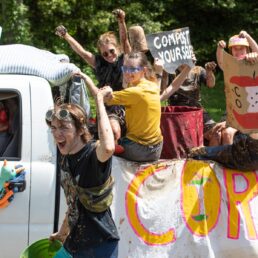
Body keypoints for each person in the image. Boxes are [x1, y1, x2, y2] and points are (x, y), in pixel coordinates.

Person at [47, 79, 119, 258]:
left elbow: (109, 147)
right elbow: (74, 202)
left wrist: (99, 100)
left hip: (100, 245)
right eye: (54, 128)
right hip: (74, 243)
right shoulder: (65, 158)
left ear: (80, 130)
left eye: (63, 127)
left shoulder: (93, 154)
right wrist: (62, 233)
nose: (57, 133)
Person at [55, 9, 131, 148]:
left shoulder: (125, 59)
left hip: (125, 104)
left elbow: (124, 40)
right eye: (105, 54)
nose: (109, 56)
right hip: (107, 106)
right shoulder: (99, 63)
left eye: (111, 51)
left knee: (120, 133)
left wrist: (121, 21)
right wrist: (66, 36)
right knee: (111, 132)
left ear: (117, 49)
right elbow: (83, 53)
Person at [104, 51, 163, 162]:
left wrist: (86, 79)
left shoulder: (136, 91)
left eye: (132, 69)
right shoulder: (153, 86)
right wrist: (159, 71)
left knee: (101, 148)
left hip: (140, 149)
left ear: (144, 70)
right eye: (125, 68)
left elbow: (103, 98)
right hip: (157, 148)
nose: (127, 72)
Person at [160, 52, 219, 146]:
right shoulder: (171, 70)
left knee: (216, 133)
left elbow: (211, 84)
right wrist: (165, 74)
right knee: (187, 140)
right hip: (178, 112)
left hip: (197, 109)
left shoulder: (198, 70)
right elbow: (161, 93)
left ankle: (208, 156)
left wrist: (209, 71)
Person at [214, 30, 258, 145]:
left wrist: (248, 36)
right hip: (235, 111)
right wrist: (220, 48)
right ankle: (227, 161)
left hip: (252, 112)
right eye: (235, 49)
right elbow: (221, 61)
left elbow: (257, 52)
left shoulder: (254, 61)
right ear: (231, 51)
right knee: (224, 133)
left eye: (241, 48)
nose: (238, 51)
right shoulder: (231, 67)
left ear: (247, 49)